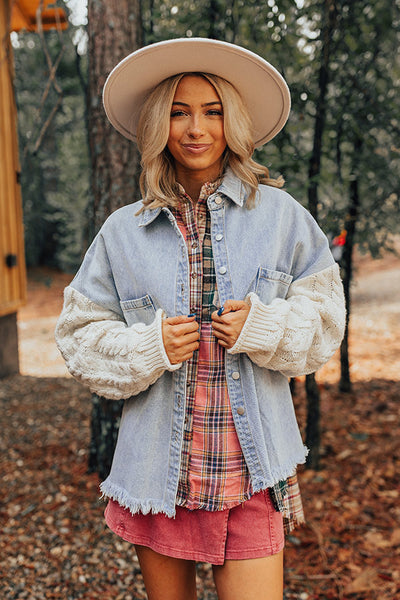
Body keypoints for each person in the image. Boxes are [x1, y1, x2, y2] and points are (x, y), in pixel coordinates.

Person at [55, 38, 346, 600]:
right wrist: (148, 347)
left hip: (252, 472)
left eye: (212, 112)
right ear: (157, 125)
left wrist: (263, 329)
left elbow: (326, 322)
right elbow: (78, 334)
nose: (196, 129)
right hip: (160, 475)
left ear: (233, 122)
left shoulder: (283, 216)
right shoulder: (122, 231)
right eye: (178, 112)